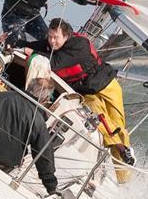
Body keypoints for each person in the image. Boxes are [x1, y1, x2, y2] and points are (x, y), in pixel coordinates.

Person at [22, 18, 136, 168]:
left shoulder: (79, 45)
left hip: (106, 84)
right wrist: (15, 45)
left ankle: (124, 172)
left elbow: (55, 63)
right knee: (100, 120)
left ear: (66, 36)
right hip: (87, 92)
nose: (51, 41)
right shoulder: (51, 45)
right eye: (50, 36)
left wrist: (32, 52)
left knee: (119, 126)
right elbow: (30, 46)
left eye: (56, 37)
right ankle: (122, 150)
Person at [0, 78, 60, 196]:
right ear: (45, 99)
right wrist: (51, 187)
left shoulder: (2, 96)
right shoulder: (38, 120)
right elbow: (43, 153)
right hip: (2, 165)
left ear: (28, 86)